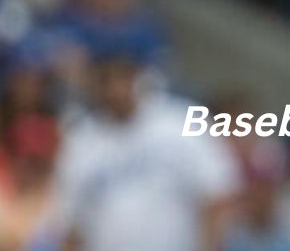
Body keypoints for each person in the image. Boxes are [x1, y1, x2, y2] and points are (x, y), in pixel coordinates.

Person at [54, 49, 240, 251]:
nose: (116, 89)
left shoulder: (180, 122)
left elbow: (218, 197)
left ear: (139, 77)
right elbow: (72, 227)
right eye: (106, 80)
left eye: (123, 77)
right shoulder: (81, 143)